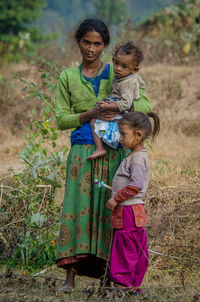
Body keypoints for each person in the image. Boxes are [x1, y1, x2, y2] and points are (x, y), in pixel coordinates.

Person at [55, 18, 153, 290]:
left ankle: (111, 277)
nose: (91, 48)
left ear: (106, 46)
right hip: (81, 152)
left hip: (114, 153)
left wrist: (122, 105)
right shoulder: (68, 77)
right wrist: (90, 114)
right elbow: (61, 119)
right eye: (86, 42)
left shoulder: (119, 70)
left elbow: (145, 102)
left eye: (98, 43)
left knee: (109, 214)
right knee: (76, 211)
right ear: (78, 42)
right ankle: (70, 277)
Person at [106, 111, 160, 294]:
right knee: (135, 247)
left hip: (128, 210)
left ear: (138, 135)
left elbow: (135, 185)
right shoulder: (134, 156)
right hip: (132, 210)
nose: (120, 138)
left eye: (123, 134)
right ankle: (133, 286)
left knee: (125, 246)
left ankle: (123, 285)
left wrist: (116, 198)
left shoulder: (137, 159)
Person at [87, 42, 145, 161]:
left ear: (135, 69)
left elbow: (125, 104)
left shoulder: (126, 83)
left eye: (124, 67)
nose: (118, 68)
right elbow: (141, 84)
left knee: (93, 121)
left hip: (121, 109)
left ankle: (100, 148)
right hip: (119, 105)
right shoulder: (128, 77)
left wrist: (108, 106)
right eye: (116, 63)